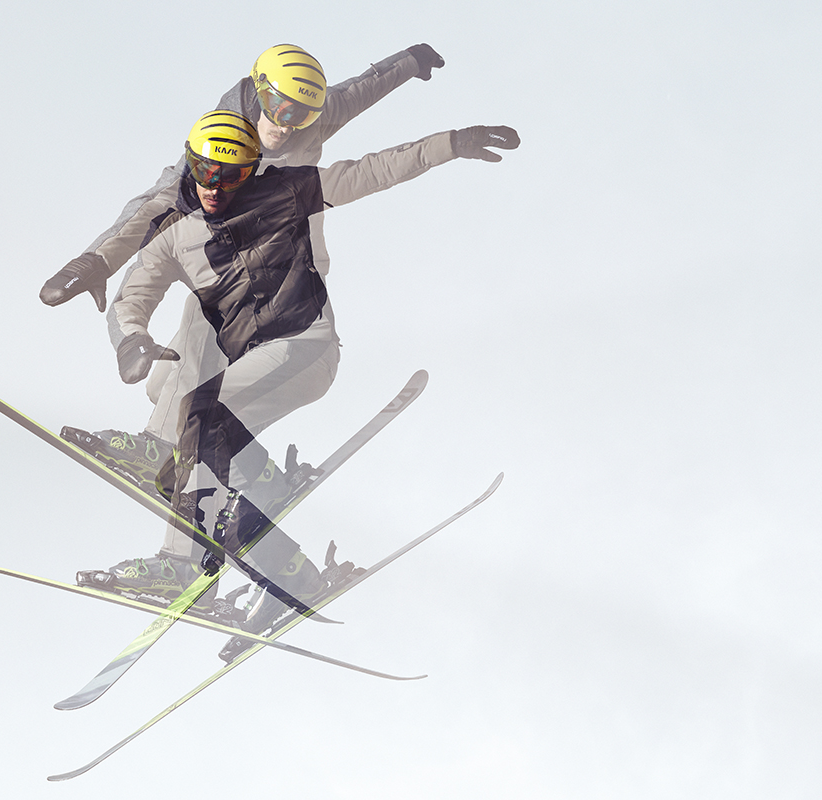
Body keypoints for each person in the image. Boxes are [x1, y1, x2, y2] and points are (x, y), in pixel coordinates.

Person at [75, 109, 519, 636]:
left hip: (301, 349)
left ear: (252, 173)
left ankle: (198, 550)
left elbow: (374, 170)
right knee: (189, 418)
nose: (215, 189)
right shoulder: (175, 228)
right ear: (191, 165)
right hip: (240, 367)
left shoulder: (287, 191)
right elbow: (135, 293)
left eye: (232, 178)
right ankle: (276, 551)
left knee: (196, 414)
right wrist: (130, 339)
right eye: (206, 173)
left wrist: (451, 142)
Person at [40, 43, 446, 468]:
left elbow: (361, 102)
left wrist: (410, 63)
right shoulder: (215, 153)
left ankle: (160, 446)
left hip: (285, 306)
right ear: (258, 93)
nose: (285, 126)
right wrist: (98, 262)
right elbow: (155, 210)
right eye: (279, 108)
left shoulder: (302, 143)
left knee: (204, 329)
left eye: (300, 115)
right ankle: (248, 471)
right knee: (163, 386)